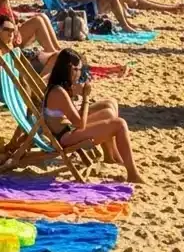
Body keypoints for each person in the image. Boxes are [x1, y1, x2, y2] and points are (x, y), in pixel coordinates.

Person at [43, 48, 143, 183]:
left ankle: (111, 155)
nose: (79, 74)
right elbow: (80, 124)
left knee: (108, 110)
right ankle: (132, 173)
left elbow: (70, 116)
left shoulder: (58, 87)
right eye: (78, 70)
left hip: (67, 128)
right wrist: (85, 97)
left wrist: (75, 93)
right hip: (65, 137)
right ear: (69, 69)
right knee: (120, 124)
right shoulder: (59, 92)